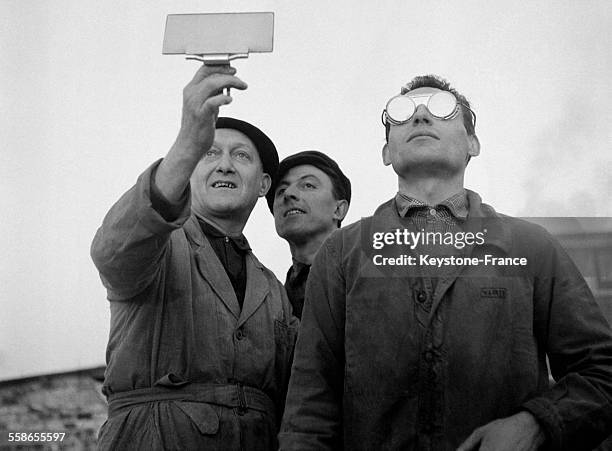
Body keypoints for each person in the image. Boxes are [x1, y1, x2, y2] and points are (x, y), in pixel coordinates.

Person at [279, 75, 612, 450]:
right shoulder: (341, 253)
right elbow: (310, 409)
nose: (420, 116)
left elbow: (601, 372)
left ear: (473, 143)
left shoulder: (532, 246)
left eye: (442, 108)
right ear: (386, 151)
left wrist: (536, 422)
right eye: (401, 114)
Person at [91, 64, 298, 451]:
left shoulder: (273, 288)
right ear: (187, 169)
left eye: (241, 156)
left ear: (263, 185)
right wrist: (188, 141)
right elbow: (112, 252)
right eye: (209, 153)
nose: (224, 164)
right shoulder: (159, 245)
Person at [266, 151, 351, 318]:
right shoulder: (272, 300)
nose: (289, 193)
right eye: (281, 190)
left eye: (308, 185)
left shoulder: (371, 274)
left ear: (338, 209)